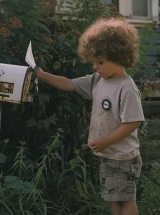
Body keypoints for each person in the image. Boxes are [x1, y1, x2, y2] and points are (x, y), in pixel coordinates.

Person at [35, 17, 145, 215]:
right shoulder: (97, 80)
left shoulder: (126, 88)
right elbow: (68, 84)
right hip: (109, 155)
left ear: (118, 56)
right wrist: (42, 75)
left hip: (123, 157)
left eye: (100, 62)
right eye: (94, 61)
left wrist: (106, 141)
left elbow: (133, 122)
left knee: (125, 200)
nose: (96, 66)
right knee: (113, 198)